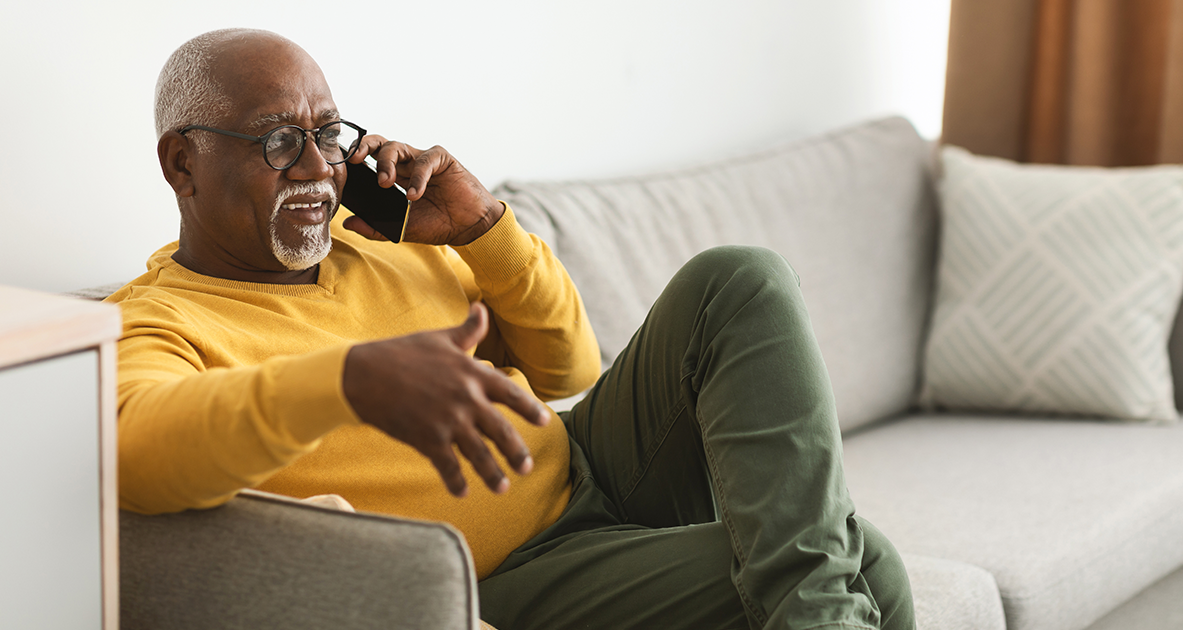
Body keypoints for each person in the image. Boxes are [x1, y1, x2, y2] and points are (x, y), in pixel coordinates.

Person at [110, 27, 916, 630]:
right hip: (509, 577)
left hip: (595, 470)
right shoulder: (157, 321)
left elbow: (570, 366)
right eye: (280, 142)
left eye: (327, 134)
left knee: (739, 280)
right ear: (182, 162)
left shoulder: (384, 244)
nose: (321, 168)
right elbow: (142, 453)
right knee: (860, 561)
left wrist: (482, 226)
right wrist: (350, 380)